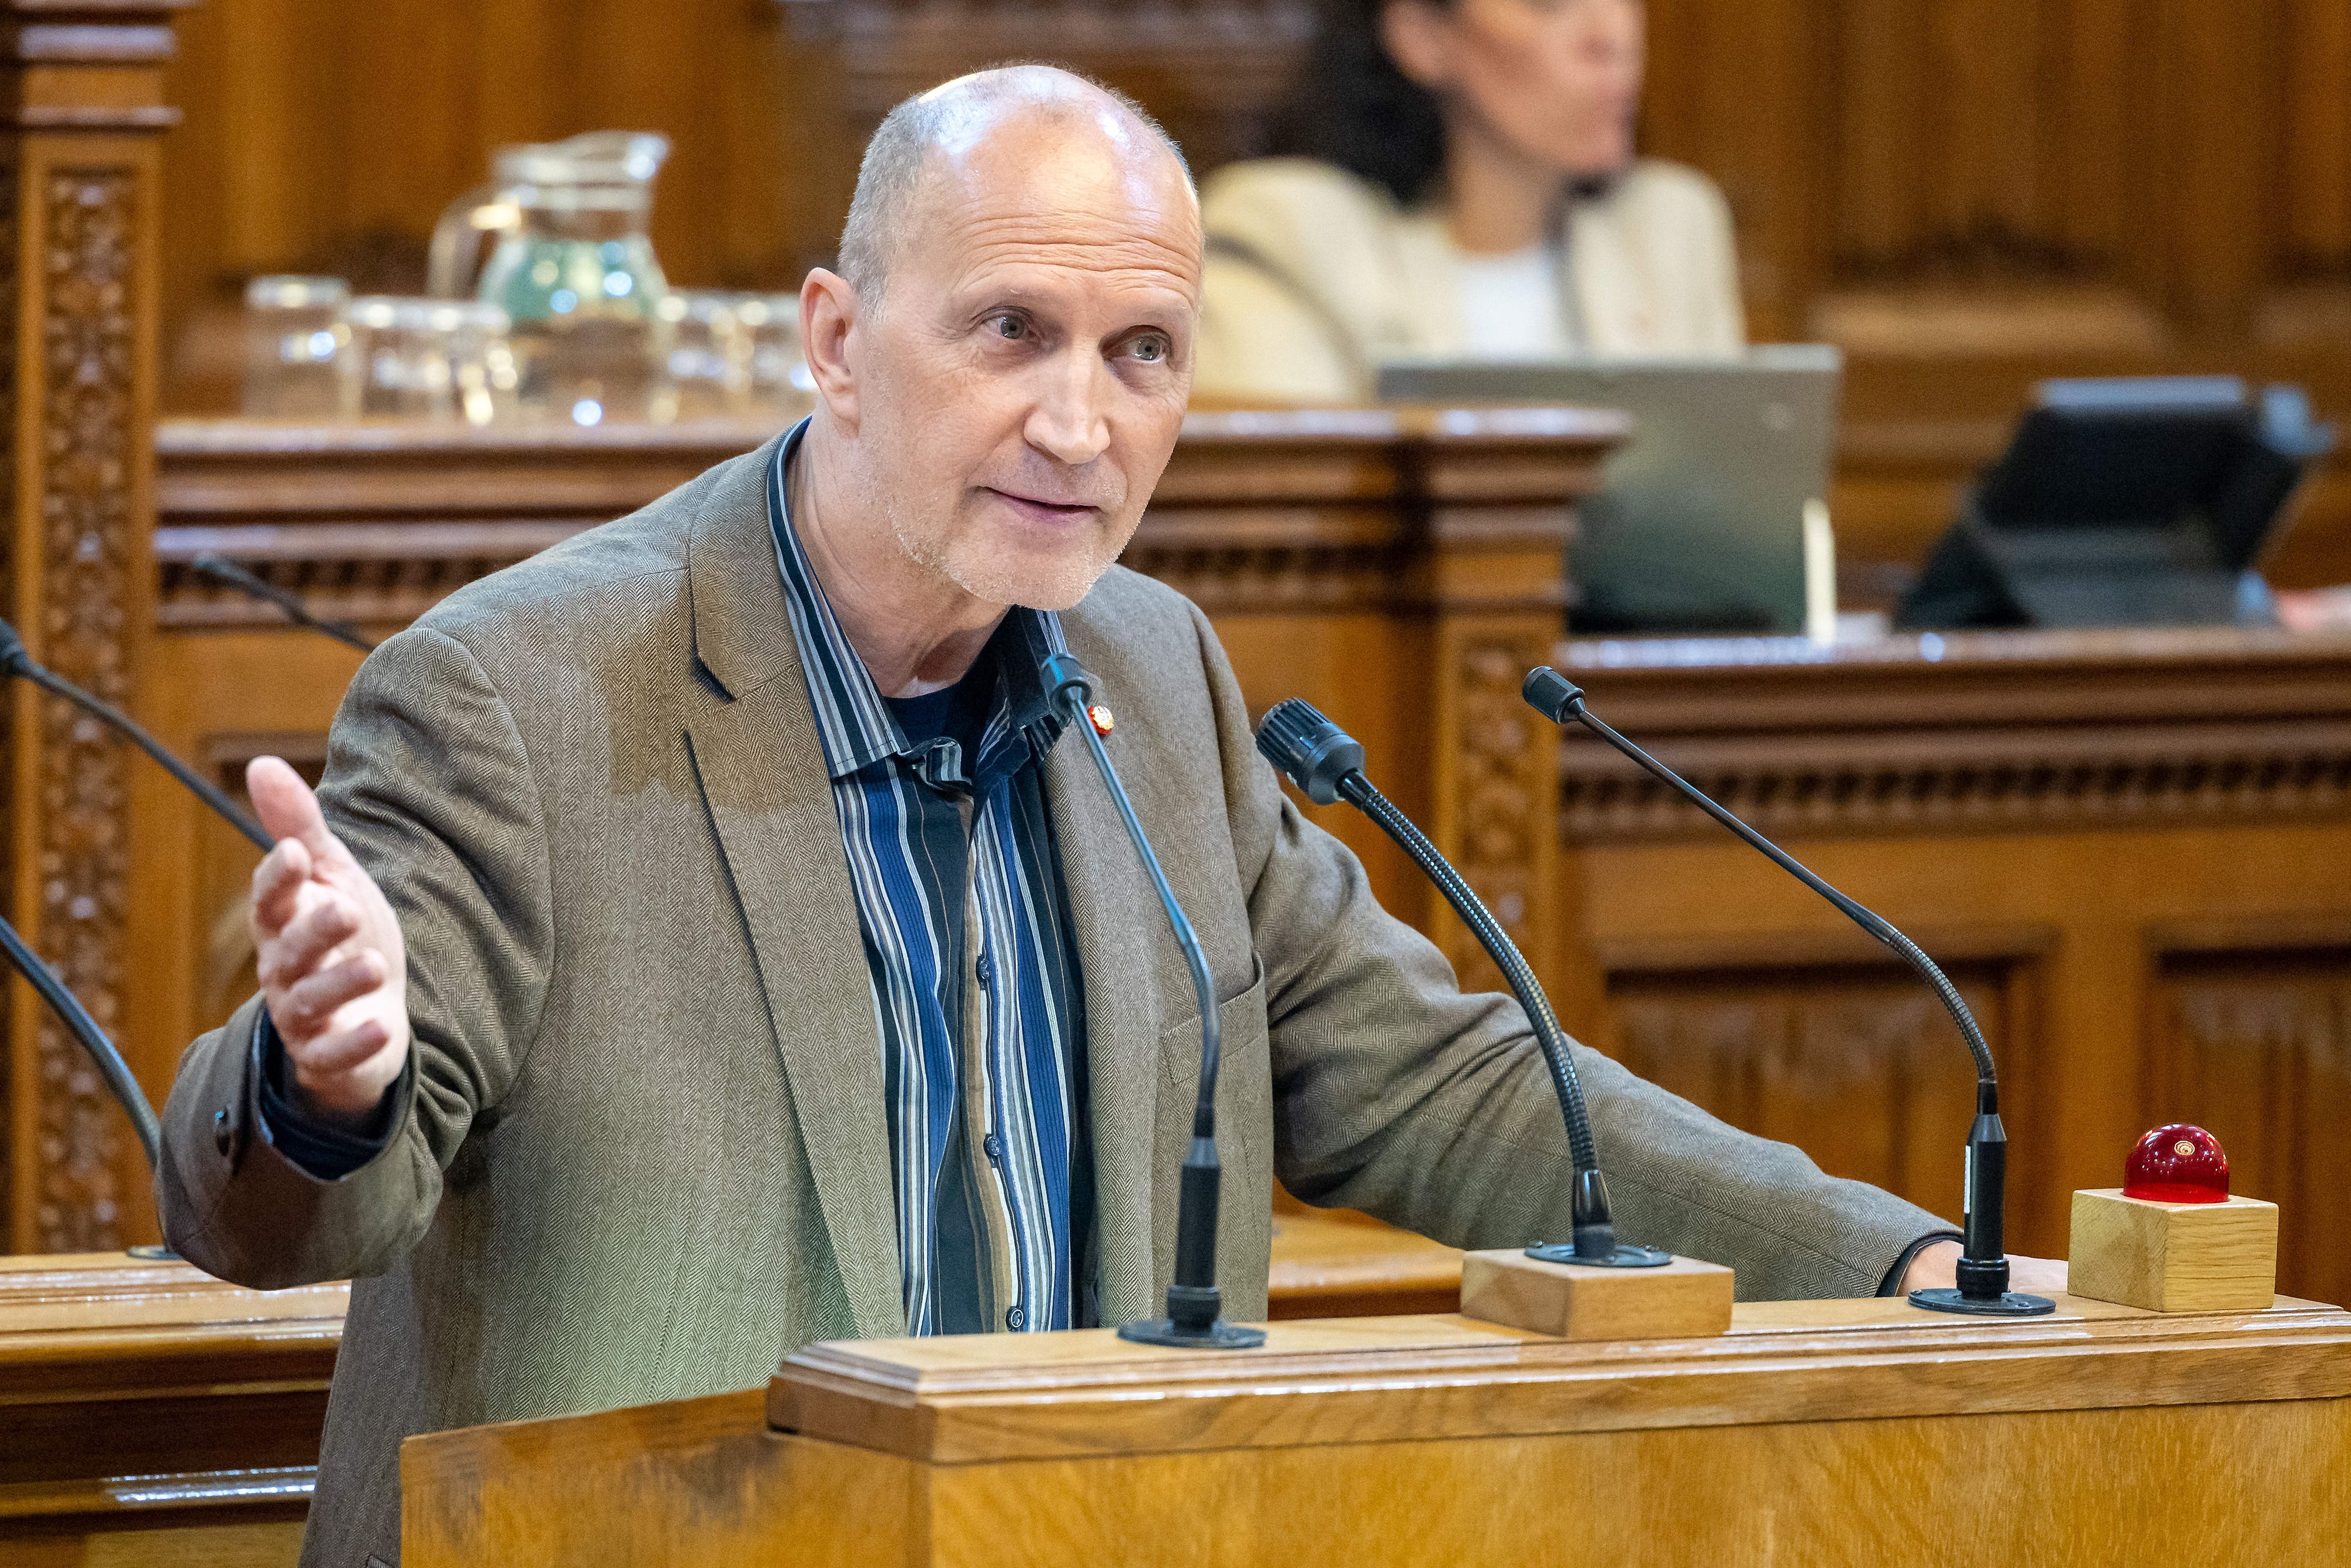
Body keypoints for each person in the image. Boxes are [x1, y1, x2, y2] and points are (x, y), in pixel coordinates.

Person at [156, 66, 2050, 1568]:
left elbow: (1447, 1085)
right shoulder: (519, 690)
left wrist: (1891, 1264)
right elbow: (266, 1209)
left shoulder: (1148, 677)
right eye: (1009, 333)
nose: (1082, 422)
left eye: (1140, 355)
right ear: (833, 339)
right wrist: (328, 1074)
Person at [1194, 0, 1744, 403]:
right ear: (1423, 35)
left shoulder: (1672, 225)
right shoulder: (1287, 230)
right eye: (1551, 5)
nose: (1613, 35)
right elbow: (1294, 515)